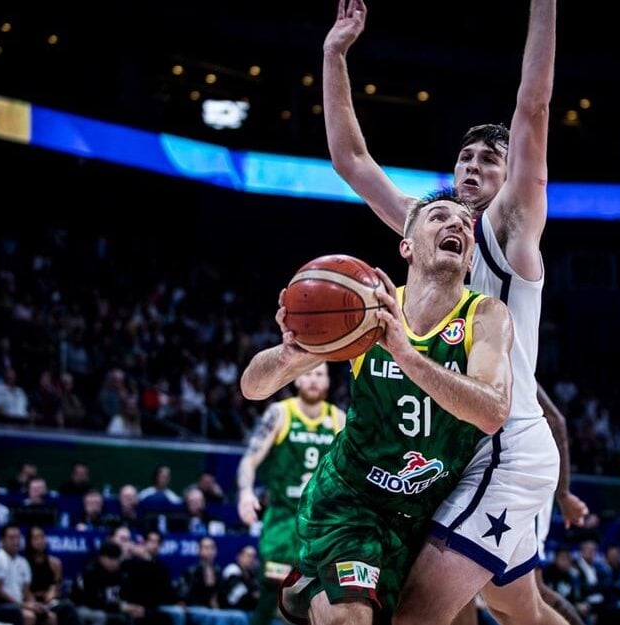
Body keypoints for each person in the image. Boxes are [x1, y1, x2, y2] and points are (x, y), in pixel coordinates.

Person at [322, 1, 586, 623]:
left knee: (419, 610)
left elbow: (533, 107)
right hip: (459, 446)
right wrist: (334, 55)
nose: (472, 167)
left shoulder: (513, 228)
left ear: (509, 177)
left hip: (504, 446)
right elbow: (352, 162)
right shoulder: (433, 222)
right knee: (522, 608)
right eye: (466, 159)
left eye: (488, 161)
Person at [242, 191, 515, 624]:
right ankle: (326, 584)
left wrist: (406, 354)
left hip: (427, 516)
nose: (457, 225)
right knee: (349, 618)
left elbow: (493, 410)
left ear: (470, 259)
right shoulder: (367, 312)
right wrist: (291, 354)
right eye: (439, 217)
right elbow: (253, 386)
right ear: (407, 247)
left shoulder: (486, 315)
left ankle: (311, 584)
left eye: (465, 223)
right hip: (352, 502)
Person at [237, 361, 345, 625]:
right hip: (283, 520)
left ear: (328, 383)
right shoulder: (280, 413)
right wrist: (245, 493)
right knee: (271, 591)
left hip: (320, 525)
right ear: (296, 380)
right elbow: (249, 459)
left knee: (316, 599)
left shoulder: (338, 419)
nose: (313, 380)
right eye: (308, 374)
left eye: (320, 374)